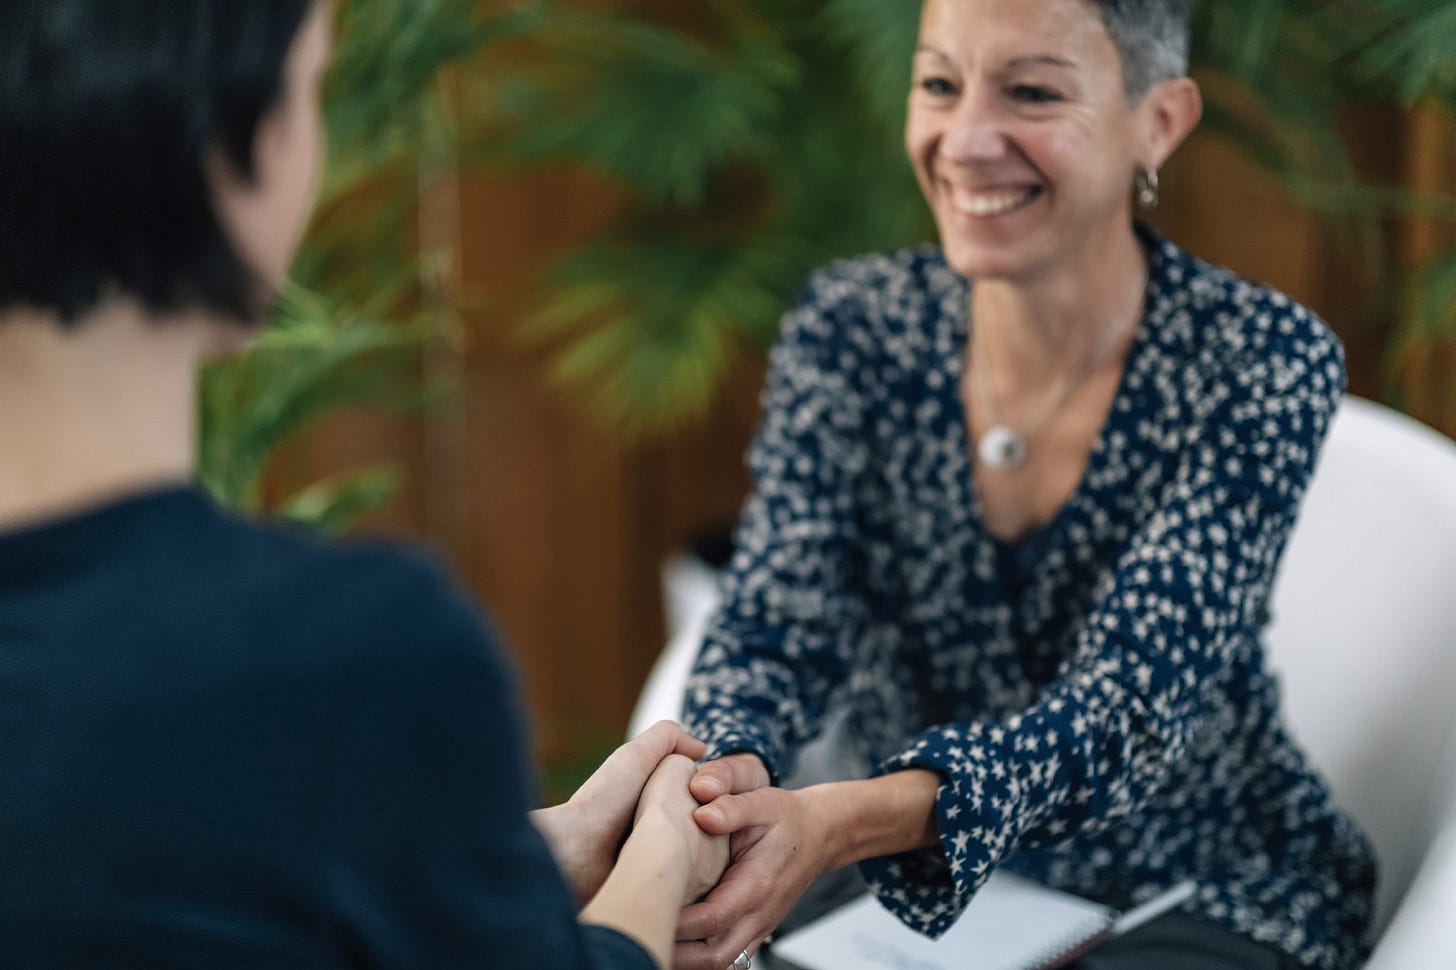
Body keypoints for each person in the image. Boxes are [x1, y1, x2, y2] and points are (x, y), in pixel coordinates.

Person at [0, 2, 724, 967]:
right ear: (229, 151)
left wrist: (508, 861)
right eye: (308, 94)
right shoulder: (343, 659)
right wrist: (664, 853)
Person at [677, 1, 1377, 969]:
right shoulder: (849, 330)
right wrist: (725, 787)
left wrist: (837, 821)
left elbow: (1129, 707)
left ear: (1157, 122)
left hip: (1193, 881)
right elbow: (774, 627)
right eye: (937, 83)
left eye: (1032, 92)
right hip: (889, 892)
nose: (964, 141)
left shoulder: (1259, 359)